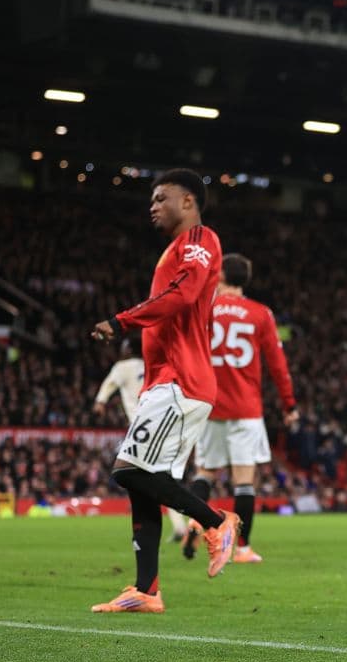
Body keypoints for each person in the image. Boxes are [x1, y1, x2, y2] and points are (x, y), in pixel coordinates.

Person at [88, 167, 240, 613]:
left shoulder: (199, 240)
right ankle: (146, 591)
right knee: (143, 485)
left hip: (181, 377)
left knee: (128, 470)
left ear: (188, 201)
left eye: (161, 198)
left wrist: (122, 320)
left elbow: (186, 293)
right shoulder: (175, 249)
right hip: (167, 380)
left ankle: (216, 522)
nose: (152, 206)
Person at [183, 253, 297, 564]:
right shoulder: (260, 314)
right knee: (244, 481)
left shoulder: (204, 309)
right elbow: (278, 365)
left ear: (219, 277)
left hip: (209, 404)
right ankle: (242, 548)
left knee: (204, 473)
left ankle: (195, 521)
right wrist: (289, 404)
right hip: (246, 408)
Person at [94, 338, 190, 541]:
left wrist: (100, 402)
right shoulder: (154, 363)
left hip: (142, 429)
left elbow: (109, 384)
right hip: (166, 424)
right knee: (158, 476)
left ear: (128, 349)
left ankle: (146, 527)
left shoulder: (123, 366)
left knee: (130, 473)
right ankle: (179, 526)